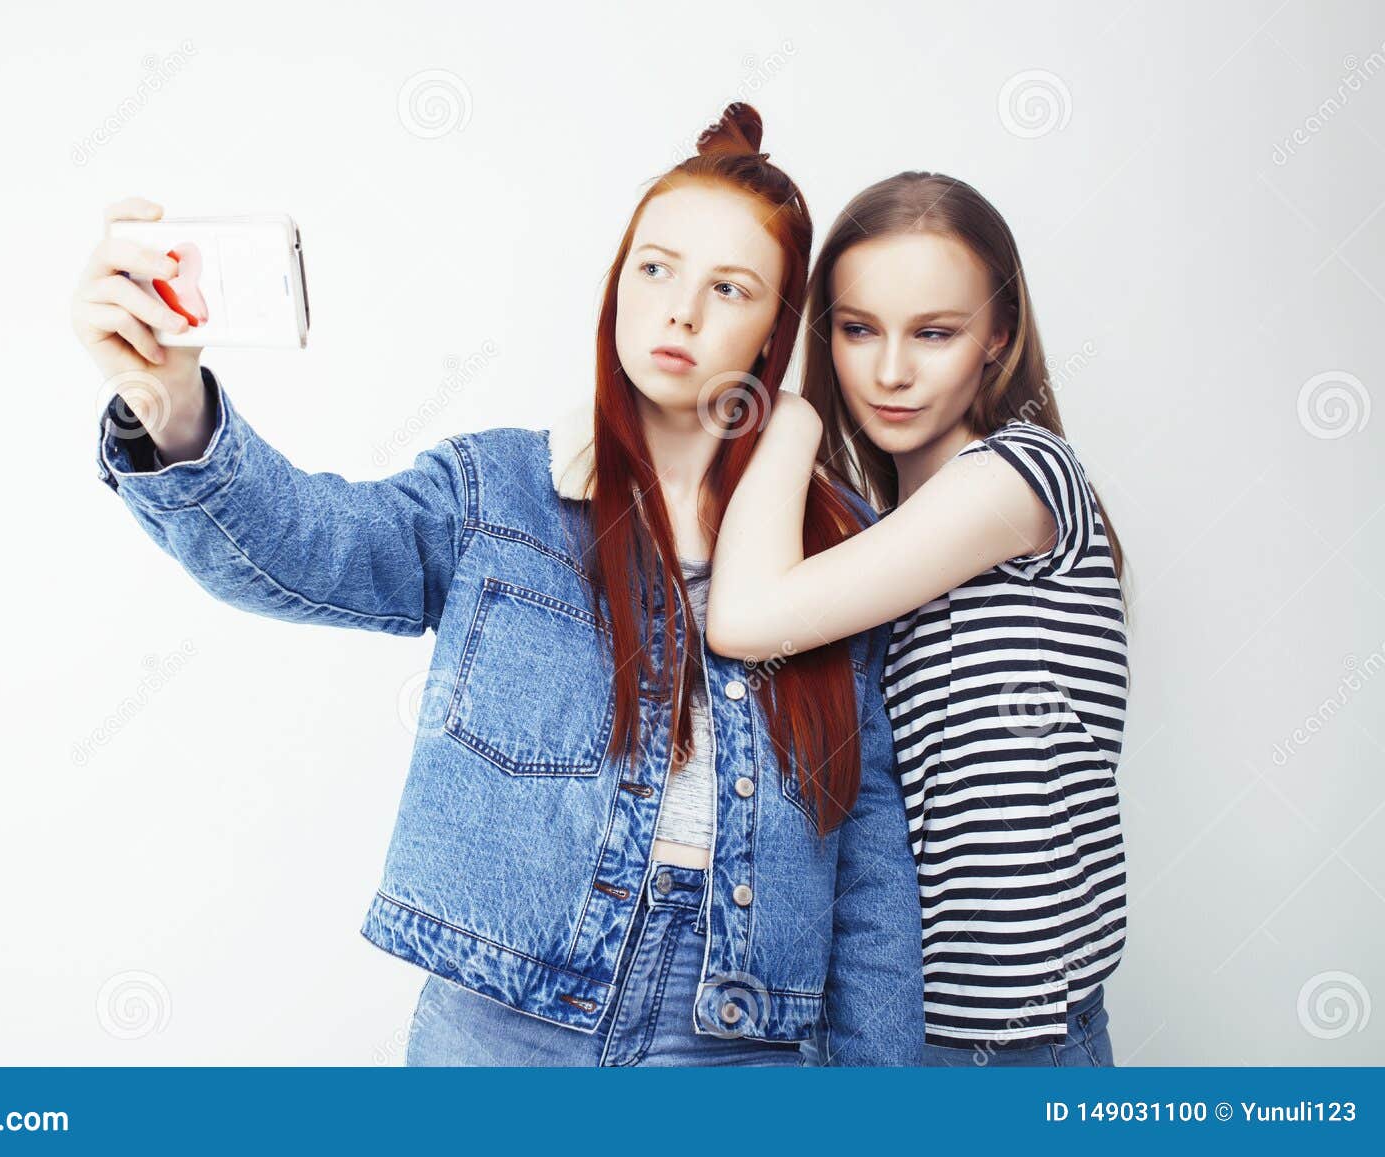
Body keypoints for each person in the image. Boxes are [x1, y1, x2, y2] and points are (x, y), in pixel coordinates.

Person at [70, 104, 922, 1067]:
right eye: (656, 267)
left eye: (731, 287)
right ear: (617, 284)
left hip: (735, 1042)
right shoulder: (499, 493)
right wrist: (170, 403)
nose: (681, 309)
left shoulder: (844, 543)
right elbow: (306, 548)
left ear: (776, 327)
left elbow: (874, 859)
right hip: (505, 1026)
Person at [708, 172, 1128, 1067]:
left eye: (934, 333)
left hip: (1013, 1040)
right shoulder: (876, 539)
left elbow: (743, 616)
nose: (891, 371)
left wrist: (788, 418)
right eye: (859, 330)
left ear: (998, 338)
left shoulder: (1024, 477)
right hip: (890, 1030)